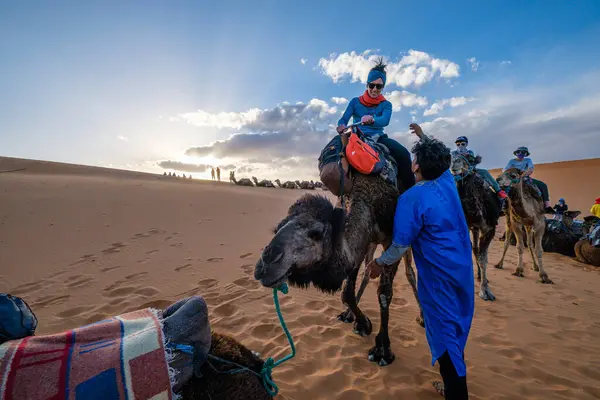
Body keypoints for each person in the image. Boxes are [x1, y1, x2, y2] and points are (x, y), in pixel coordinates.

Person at [367, 123, 473, 400]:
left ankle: (457, 393)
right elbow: (443, 159)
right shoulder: (446, 181)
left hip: (439, 279)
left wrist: (379, 262)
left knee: (445, 333)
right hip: (462, 270)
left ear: (415, 166)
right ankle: (451, 387)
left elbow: (400, 245)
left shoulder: (411, 198)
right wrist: (424, 137)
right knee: (457, 325)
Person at [336, 58, 415, 192]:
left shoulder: (386, 104)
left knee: (404, 154)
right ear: (367, 85)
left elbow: (385, 120)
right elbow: (344, 118)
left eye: (379, 86)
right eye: (371, 85)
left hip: (379, 137)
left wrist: (372, 119)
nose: (374, 89)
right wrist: (341, 125)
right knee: (335, 154)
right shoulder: (355, 102)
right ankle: (340, 196)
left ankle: (410, 194)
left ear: (382, 87)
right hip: (357, 136)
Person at [503, 146, 553, 213]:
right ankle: (502, 206)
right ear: (516, 153)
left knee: (543, 185)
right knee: (502, 188)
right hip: (513, 179)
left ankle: (547, 206)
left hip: (525, 178)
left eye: (523, 152)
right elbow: (505, 170)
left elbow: (530, 168)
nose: (520, 154)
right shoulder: (512, 161)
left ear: (525, 154)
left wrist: (525, 173)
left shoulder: (528, 160)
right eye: (518, 152)